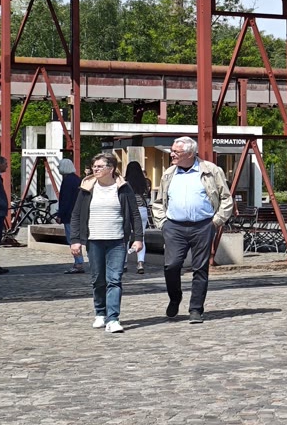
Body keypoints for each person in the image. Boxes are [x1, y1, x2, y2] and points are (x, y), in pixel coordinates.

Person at [150, 136, 233, 323]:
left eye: (176, 152)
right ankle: (175, 297)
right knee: (171, 265)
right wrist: (163, 223)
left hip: (203, 225)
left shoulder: (211, 170)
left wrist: (216, 221)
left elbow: (226, 198)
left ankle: (196, 309)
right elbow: (158, 201)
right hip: (174, 226)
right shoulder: (169, 173)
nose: (172, 154)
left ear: (190, 153)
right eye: (172, 151)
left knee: (200, 268)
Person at [69, 155, 143, 332]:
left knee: (114, 279)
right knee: (98, 279)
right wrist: (75, 240)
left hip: (117, 240)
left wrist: (138, 238)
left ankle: (113, 319)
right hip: (94, 240)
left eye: (100, 166)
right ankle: (100, 313)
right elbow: (76, 215)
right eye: (94, 166)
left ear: (111, 169)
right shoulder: (87, 188)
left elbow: (134, 214)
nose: (95, 169)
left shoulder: (123, 188)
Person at [122, 158, 152, 274]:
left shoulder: (124, 182)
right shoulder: (146, 182)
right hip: (142, 209)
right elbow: (148, 197)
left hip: (128, 210)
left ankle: (124, 262)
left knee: (125, 236)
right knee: (140, 237)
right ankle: (140, 263)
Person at [55, 158, 85, 274]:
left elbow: (65, 200)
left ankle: (78, 263)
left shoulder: (67, 181)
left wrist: (60, 214)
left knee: (72, 239)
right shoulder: (77, 179)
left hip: (70, 215)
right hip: (79, 213)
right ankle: (80, 262)